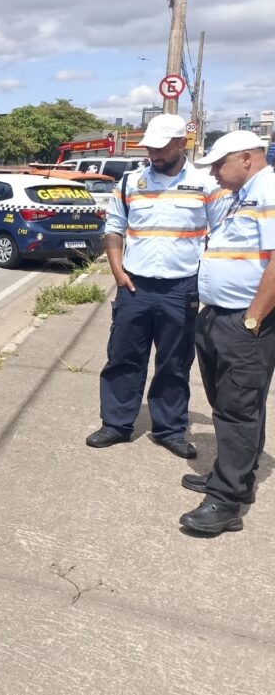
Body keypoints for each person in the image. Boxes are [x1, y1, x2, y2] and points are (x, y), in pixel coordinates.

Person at [86, 113, 230, 459]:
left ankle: (169, 429)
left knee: (174, 363)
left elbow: (223, 235)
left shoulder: (206, 184)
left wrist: (207, 282)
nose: (155, 154)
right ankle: (117, 424)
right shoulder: (131, 182)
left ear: (183, 143)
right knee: (123, 357)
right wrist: (118, 272)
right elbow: (114, 228)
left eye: (163, 147)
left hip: (182, 289)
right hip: (134, 286)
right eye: (151, 147)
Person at [179, 131, 275, 534]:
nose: (214, 172)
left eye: (220, 164)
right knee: (232, 403)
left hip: (244, 322)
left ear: (248, 159)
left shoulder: (268, 190)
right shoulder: (244, 195)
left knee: (237, 408)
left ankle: (226, 500)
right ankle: (235, 476)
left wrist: (252, 318)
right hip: (220, 317)